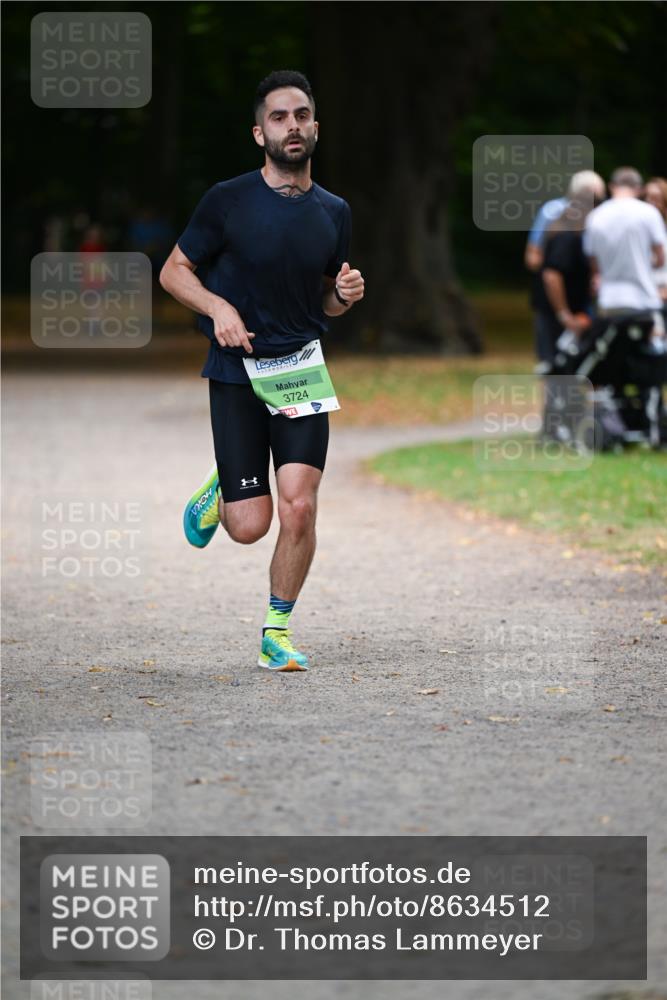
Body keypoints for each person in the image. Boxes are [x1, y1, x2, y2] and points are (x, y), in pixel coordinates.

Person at [159, 70, 364, 672]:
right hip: (236, 370)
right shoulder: (227, 200)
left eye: (301, 115)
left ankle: (277, 629)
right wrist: (218, 308)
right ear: (259, 133)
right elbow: (173, 271)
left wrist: (343, 296)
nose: (291, 126)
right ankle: (223, 487)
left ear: (315, 127)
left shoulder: (335, 212)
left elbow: (322, 301)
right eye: (278, 117)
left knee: (300, 505)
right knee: (248, 526)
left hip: (300, 367)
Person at [525, 171, 605, 366]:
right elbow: (549, 272)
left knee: (572, 361)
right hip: (557, 306)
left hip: (572, 304)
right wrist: (564, 314)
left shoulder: (572, 231)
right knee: (556, 361)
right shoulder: (565, 236)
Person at [583, 166, 666, 316]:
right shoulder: (649, 213)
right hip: (644, 298)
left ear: (611, 187)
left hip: (609, 300)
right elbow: (660, 260)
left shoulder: (595, 216)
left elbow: (594, 263)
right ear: (639, 189)